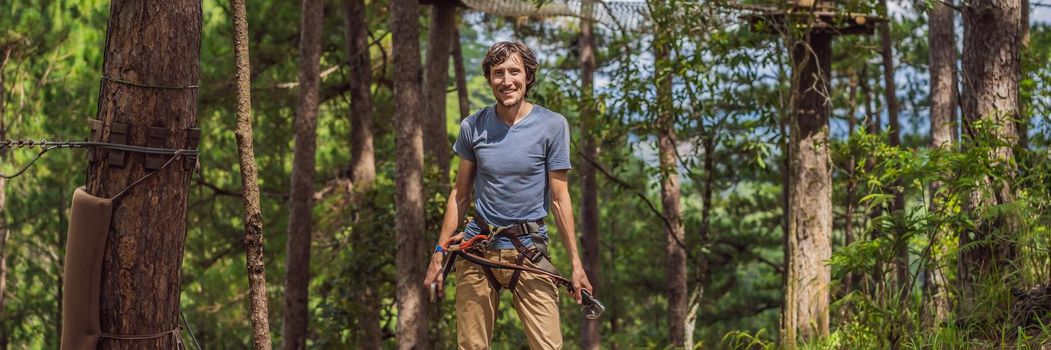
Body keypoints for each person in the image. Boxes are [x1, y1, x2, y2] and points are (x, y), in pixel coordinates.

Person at [422, 41, 594, 350]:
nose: (507, 81)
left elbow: (559, 200)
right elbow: (460, 195)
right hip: (477, 247)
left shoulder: (552, 126)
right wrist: (439, 252)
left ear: (528, 76)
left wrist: (576, 266)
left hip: (529, 249)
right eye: (498, 73)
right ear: (488, 79)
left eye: (514, 71)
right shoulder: (473, 127)